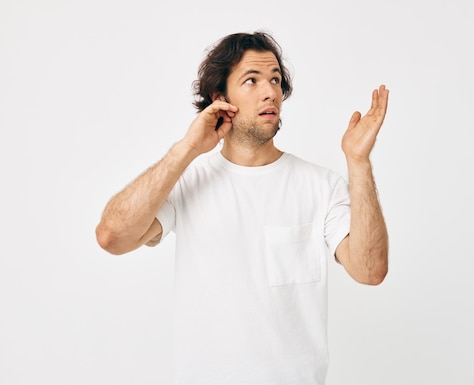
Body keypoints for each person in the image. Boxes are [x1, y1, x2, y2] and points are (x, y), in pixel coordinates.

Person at [95, 31, 389, 385]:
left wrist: (358, 161)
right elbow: (112, 237)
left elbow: (370, 271)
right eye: (252, 80)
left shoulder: (320, 186)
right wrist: (186, 148)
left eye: (276, 80)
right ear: (220, 97)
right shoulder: (188, 180)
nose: (270, 91)